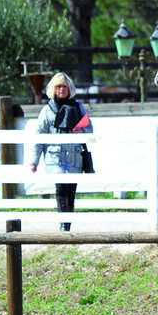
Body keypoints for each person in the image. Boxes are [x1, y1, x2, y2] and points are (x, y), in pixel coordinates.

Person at [29, 72, 93, 231]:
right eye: (58, 86)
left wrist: (83, 132)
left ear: (69, 88)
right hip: (55, 157)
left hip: (74, 157)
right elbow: (39, 135)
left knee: (71, 191)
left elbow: (90, 127)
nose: (62, 89)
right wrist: (34, 161)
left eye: (64, 86)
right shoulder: (46, 110)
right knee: (61, 188)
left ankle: (67, 225)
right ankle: (63, 224)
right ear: (53, 89)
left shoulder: (78, 107)